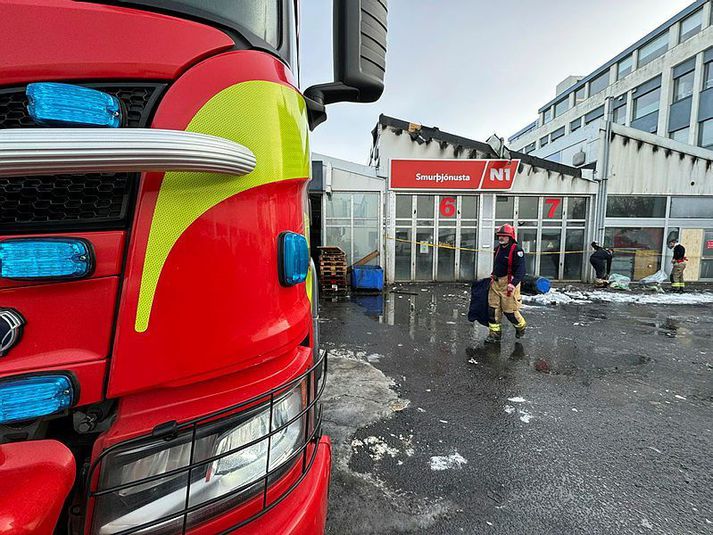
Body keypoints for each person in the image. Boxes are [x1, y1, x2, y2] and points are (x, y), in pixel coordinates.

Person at [486, 224, 527, 344]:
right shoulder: (498, 249)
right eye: (500, 235)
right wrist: (493, 274)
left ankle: (521, 327)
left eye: (504, 236)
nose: (501, 238)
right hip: (496, 283)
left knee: (510, 312)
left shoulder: (516, 250)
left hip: (509, 284)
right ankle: (494, 335)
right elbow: (498, 265)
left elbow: (521, 269)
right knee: (492, 310)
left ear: (510, 237)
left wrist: (513, 284)